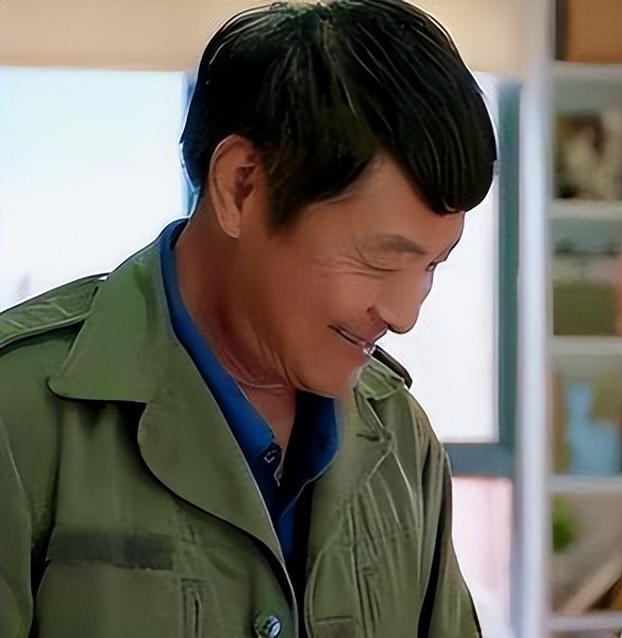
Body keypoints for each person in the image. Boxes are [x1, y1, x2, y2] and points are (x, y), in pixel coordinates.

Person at [0, 1, 496, 636]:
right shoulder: (18, 415)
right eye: (380, 259)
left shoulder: (403, 440)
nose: (404, 316)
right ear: (242, 187)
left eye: (432, 266)